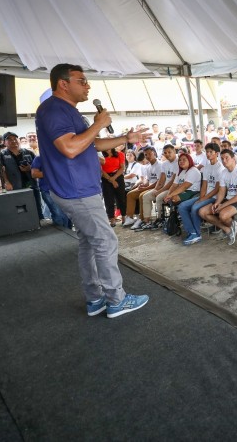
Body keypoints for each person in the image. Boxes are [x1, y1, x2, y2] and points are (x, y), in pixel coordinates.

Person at [36, 63, 149, 318]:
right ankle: (116, 300)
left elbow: (89, 144)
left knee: (89, 242)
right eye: (82, 81)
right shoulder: (54, 110)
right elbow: (70, 148)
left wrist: (124, 139)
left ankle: (95, 298)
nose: (88, 86)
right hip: (76, 190)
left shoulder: (68, 111)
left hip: (78, 188)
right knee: (106, 241)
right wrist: (98, 123)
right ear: (63, 84)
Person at [199, 149, 237, 246]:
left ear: (233, 159)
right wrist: (217, 203)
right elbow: (222, 191)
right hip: (229, 199)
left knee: (222, 215)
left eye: (227, 158)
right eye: (222, 158)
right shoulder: (223, 172)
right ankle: (228, 229)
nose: (224, 161)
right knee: (203, 212)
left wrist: (222, 206)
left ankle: (231, 225)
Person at [100, 147, 127, 227]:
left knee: (121, 197)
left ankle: (124, 216)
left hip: (118, 176)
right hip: (106, 177)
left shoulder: (119, 154)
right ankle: (112, 218)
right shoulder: (100, 156)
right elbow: (100, 170)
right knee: (108, 199)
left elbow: (122, 168)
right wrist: (111, 180)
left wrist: (114, 178)